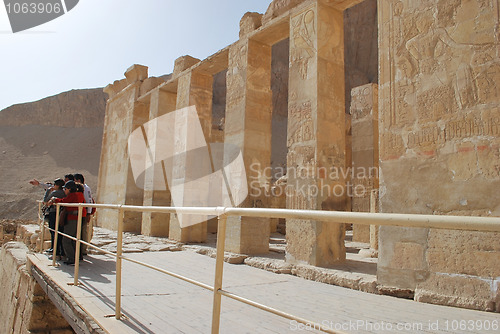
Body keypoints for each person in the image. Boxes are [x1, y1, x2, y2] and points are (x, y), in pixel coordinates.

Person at [48, 180, 86, 265]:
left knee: (67, 239)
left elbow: (64, 201)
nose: (64, 191)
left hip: (72, 219)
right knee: (72, 239)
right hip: (74, 218)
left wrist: (55, 199)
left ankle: (71, 259)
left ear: (69, 189)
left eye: (65, 189)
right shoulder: (76, 195)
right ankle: (75, 257)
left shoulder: (73, 195)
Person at [42, 178, 66, 257]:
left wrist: (48, 191)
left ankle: (55, 250)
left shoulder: (55, 192)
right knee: (59, 232)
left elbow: (45, 200)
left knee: (53, 231)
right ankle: (58, 250)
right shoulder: (64, 192)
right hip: (61, 214)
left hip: (53, 213)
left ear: (57, 185)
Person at [74, 173, 94, 255]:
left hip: (84, 213)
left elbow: (89, 201)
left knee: (83, 231)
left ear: (78, 180)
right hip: (78, 213)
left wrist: (88, 213)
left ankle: (83, 250)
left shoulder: (85, 188)